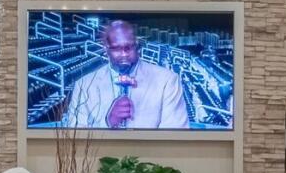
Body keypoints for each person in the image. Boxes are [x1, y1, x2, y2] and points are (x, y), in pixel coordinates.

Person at [59, 17, 192, 129]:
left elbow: (175, 133)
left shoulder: (167, 81)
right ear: (106, 49)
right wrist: (108, 122)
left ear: (137, 46)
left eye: (128, 48)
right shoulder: (84, 85)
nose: (124, 54)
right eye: (117, 48)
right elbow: (75, 136)